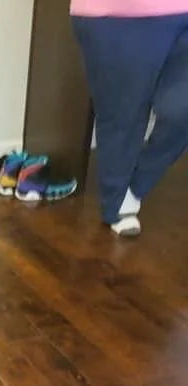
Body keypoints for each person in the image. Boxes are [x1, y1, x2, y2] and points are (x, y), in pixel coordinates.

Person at [71, 1, 188, 236]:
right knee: (122, 117)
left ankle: (135, 185)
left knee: (182, 110)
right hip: (115, 16)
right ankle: (117, 199)